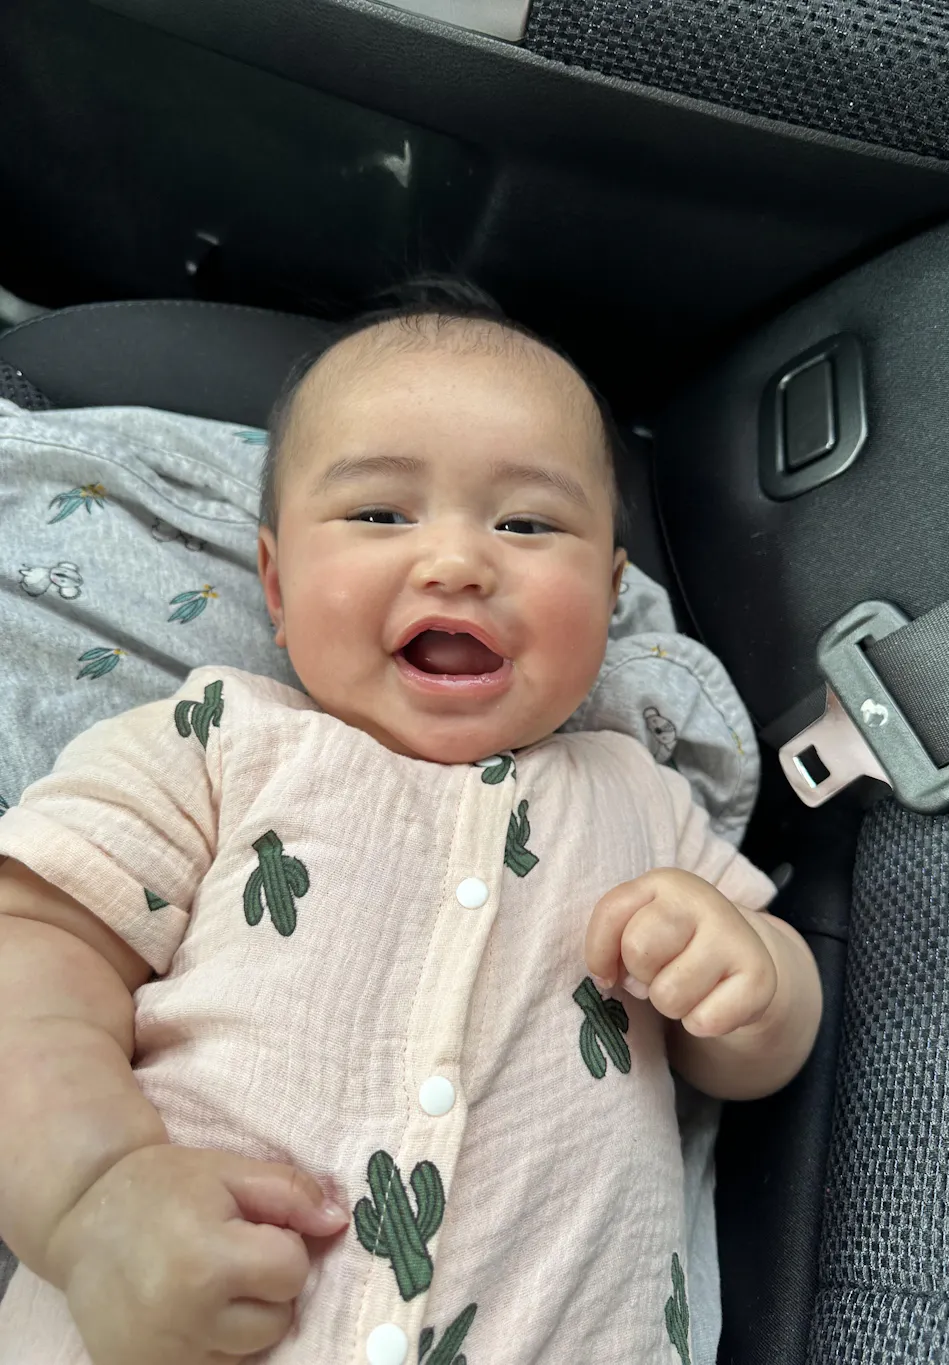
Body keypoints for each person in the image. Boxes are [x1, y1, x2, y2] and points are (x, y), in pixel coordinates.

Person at [0, 286, 822, 1365]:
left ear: (611, 595)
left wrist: (750, 985)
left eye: (527, 524)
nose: (457, 563)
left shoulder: (640, 793)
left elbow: (756, 1051)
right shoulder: (217, 738)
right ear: (276, 584)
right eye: (380, 515)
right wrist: (93, 1198)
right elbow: (33, 961)